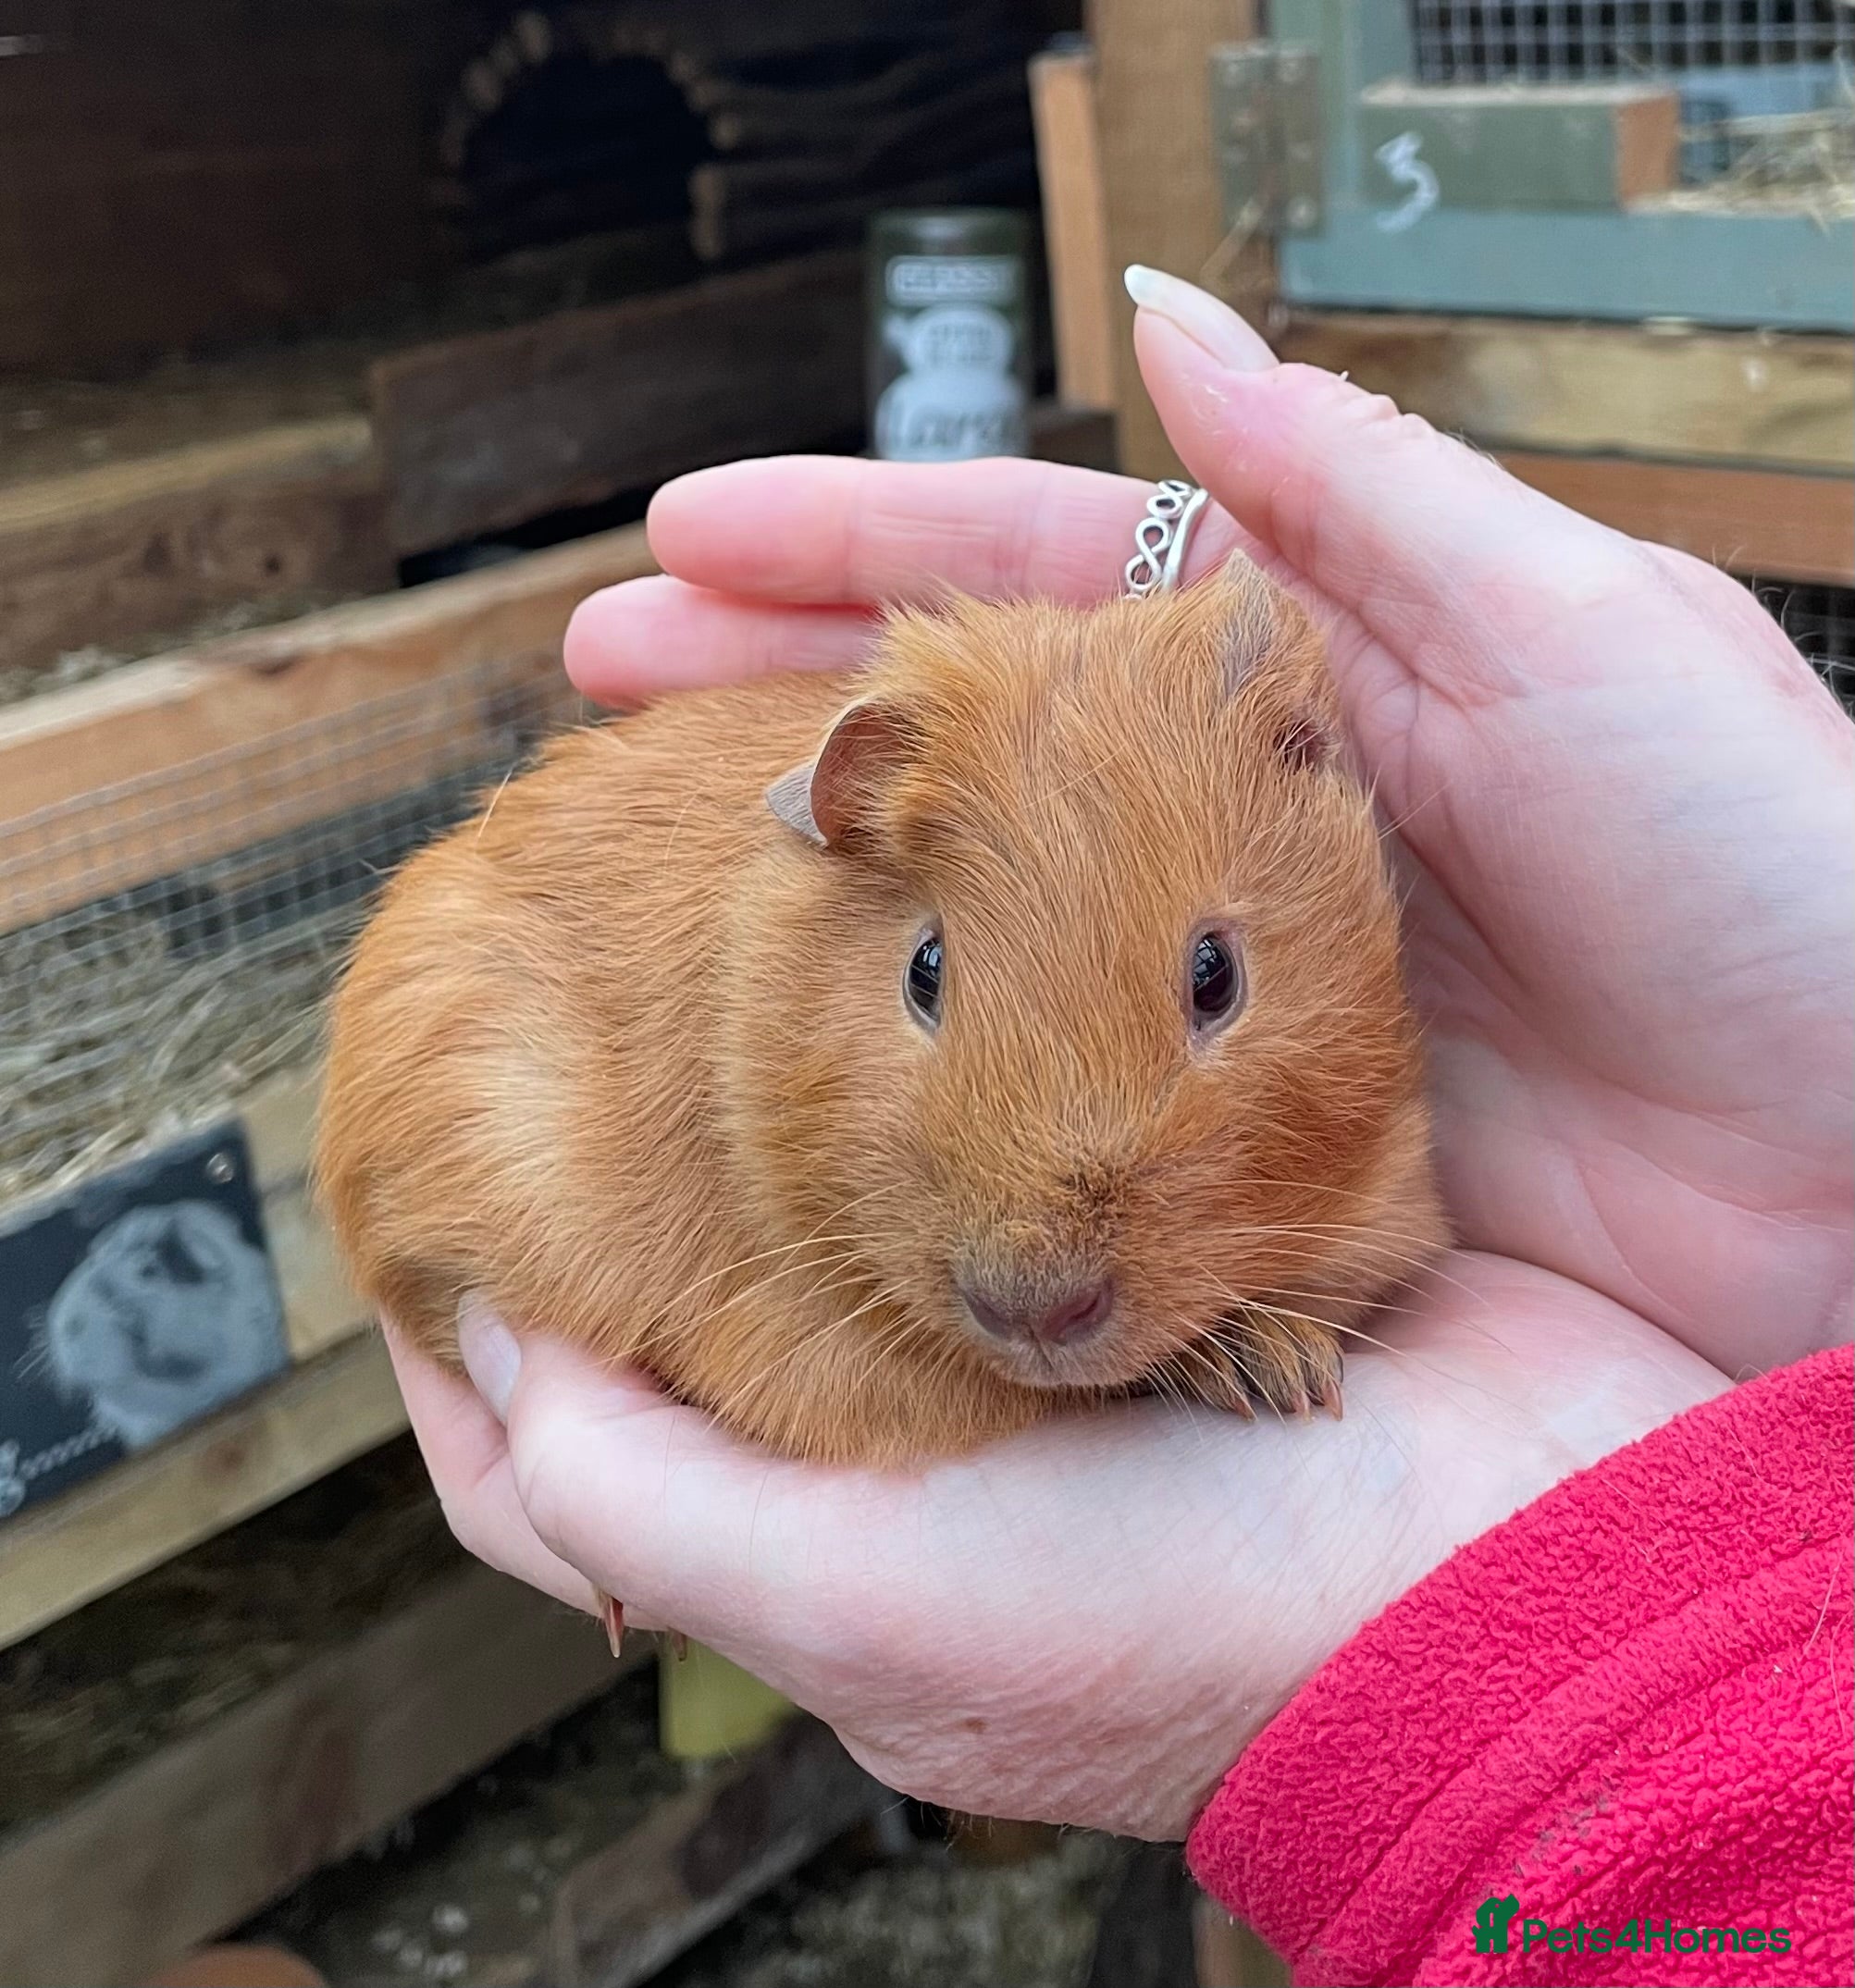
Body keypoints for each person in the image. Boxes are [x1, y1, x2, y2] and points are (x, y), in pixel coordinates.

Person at [386, 269, 1853, 1985]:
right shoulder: (754, 968)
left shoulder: (1332, 879)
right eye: (930, 974)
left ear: (1325, 789)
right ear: (850, 837)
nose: (1040, 1256)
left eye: (1209, 983)